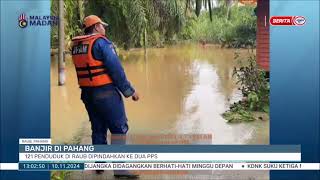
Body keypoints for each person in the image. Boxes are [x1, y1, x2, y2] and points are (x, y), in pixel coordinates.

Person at [71, 15, 139, 179]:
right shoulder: (101, 43)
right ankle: (120, 171)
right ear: (95, 27)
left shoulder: (77, 46)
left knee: (98, 128)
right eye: (102, 26)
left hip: (87, 94)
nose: (104, 29)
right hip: (106, 93)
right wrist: (130, 91)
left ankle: (100, 165)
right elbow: (116, 70)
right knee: (119, 129)